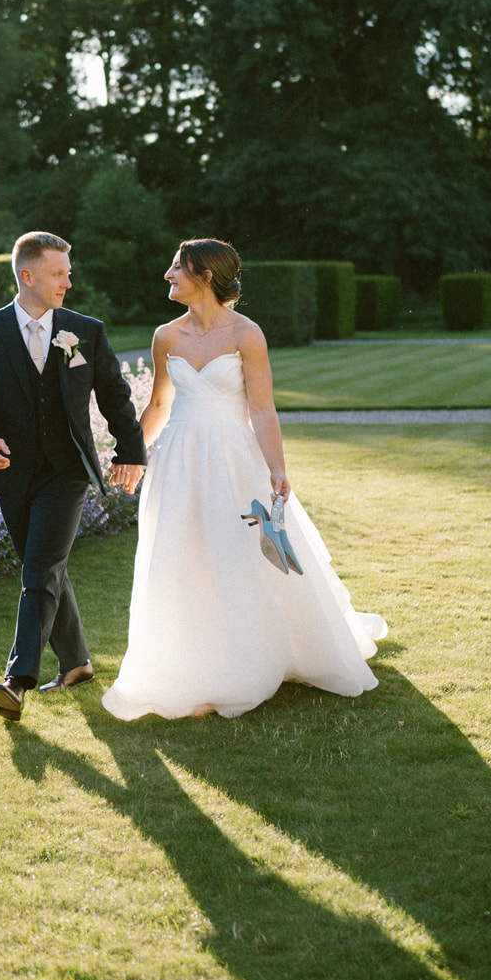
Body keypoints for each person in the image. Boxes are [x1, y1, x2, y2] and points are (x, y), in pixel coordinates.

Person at [102, 238, 386, 721]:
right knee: (182, 555)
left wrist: (277, 469)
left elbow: (261, 407)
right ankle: (191, 661)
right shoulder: (165, 336)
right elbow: (159, 404)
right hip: (178, 461)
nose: (168, 275)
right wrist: (129, 455)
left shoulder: (246, 335)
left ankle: (258, 655)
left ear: (205, 276)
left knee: (241, 556)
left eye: (176, 267)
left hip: (234, 460)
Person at [0, 231, 145, 722]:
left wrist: (131, 452)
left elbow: (115, 396)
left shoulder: (85, 330)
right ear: (28, 276)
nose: (68, 282)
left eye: (68, 272)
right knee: (47, 568)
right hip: (12, 473)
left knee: (38, 570)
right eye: (59, 273)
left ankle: (16, 680)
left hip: (67, 471)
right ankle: (77, 663)